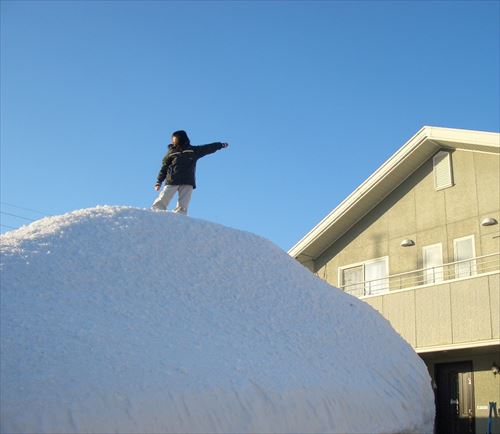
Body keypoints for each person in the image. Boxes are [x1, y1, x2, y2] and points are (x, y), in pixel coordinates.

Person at [152, 130, 229, 215]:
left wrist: (220, 145)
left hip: (187, 181)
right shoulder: (171, 153)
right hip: (172, 179)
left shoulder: (193, 151)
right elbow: (164, 167)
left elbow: (207, 148)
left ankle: (180, 215)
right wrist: (159, 181)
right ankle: (156, 210)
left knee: (184, 202)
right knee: (164, 196)